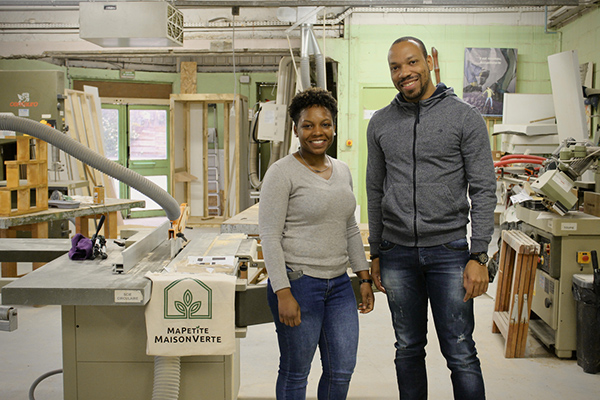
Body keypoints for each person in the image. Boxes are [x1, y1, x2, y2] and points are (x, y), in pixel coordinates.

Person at [366, 36, 497, 400]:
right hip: (397, 253)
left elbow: (484, 188)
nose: (404, 72)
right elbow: (374, 190)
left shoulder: (464, 117)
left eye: (411, 62)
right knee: (407, 348)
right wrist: (376, 251)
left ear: (428, 61)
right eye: (395, 67)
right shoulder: (380, 123)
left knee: (460, 351)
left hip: (450, 252)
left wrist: (479, 255)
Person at [259, 87, 374, 400]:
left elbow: (349, 227)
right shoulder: (281, 173)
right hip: (299, 283)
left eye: (325, 123)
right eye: (308, 125)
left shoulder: (342, 171)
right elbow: (269, 235)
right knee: (296, 371)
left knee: (342, 369)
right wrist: (282, 291)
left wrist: (363, 277)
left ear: (334, 127)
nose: (317, 132)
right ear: (296, 130)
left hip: (338, 285)